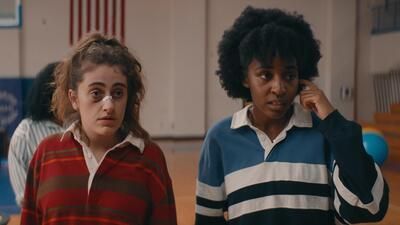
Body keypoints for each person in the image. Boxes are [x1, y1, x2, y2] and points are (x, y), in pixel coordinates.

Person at [195, 6, 389, 225]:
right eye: (265, 75)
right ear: (244, 78)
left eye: (289, 75)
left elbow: (371, 207)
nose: (278, 87)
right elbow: (207, 220)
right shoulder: (219, 138)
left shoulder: (325, 135)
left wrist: (332, 121)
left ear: (302, 77)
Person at [20, 33, 177, 225]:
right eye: (96, 93)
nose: (109, 105)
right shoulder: (46, 154)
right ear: (74, 98)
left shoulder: (150, 159)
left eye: (118, 93)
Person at [8, 62, 64, 207]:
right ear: (52, 93)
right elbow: (24, 197)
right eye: (67, 88)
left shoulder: (83, 126)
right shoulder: (25, 135)